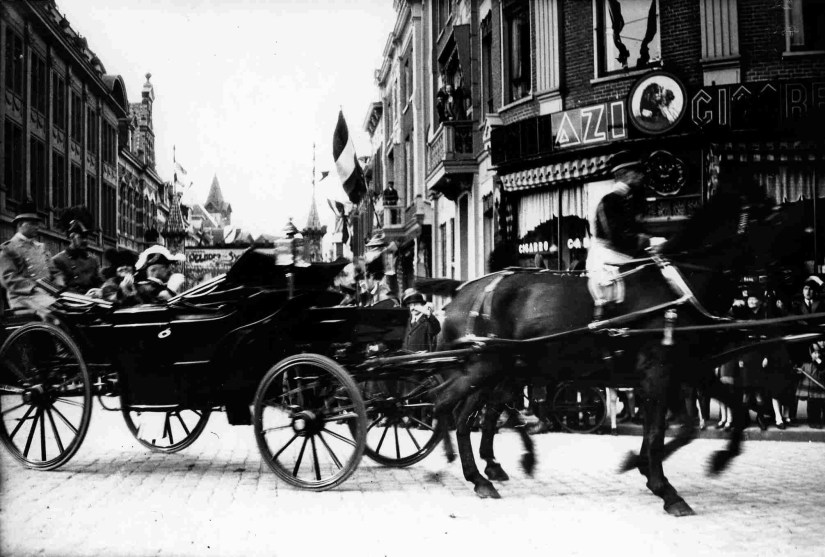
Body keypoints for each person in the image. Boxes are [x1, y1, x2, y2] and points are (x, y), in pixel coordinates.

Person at [586, 151, 656, 317]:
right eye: (637, 172)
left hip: (627, 254)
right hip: (609, 256)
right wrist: (649, 241)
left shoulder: (632, 200)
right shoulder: (609, 201)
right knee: (611, 290)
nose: (641, 176)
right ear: (625, 175)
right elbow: (617, 238)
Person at [0, 200, 58, 319]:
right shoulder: (9, 248)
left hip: (46, 294)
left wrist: (58, 281)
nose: (37, 227)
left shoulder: (41, 247)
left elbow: (53, 271)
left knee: (72, 308)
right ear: (20, 224)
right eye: (32, 224)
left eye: (37, 224)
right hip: (23, 297)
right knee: (57, 313)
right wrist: (34, 287)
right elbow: (8, 278)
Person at [52, 217, 101, 295]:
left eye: (86, 237)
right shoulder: (58, 260)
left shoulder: (93, 260)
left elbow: (99, 283)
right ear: (71, 237)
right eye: (81, 237)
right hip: (70, 299)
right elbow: (59, 287)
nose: (85, 240)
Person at [796, 343, 825, 429]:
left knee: (818, 405)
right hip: (810, 388)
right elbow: (800, 371)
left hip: (818, 387)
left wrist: (818, 361)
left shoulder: (821, 362)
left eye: (818, 353)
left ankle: (818, 421)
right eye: (814, 353)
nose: (816, 355)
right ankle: (812, 421)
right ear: (810, 353)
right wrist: (799, 372)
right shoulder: (806, 362)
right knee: (811, 405)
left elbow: (822, 371)